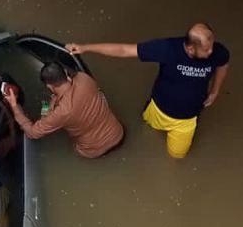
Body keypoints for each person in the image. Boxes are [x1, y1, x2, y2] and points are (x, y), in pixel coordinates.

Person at [66, 23, 229, 159]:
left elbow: (223, 62)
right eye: (206, 50)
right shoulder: (167, 49)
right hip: (159, 109)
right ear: (191, 48)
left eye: (212, 47)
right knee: (148, 130)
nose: (211, 52)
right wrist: (85, 48)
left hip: (187, 119)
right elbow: (125, 50)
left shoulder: (217, 52)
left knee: (177, 155)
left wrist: (215, 91)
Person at [2, 62, 124, 158]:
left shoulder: (62, 112)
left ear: (48, 86)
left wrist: (14, 105)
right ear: (65, 74)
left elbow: (32, 133)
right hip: (118, 133)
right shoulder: (84, 78)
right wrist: (49, 106)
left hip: (92, 151)